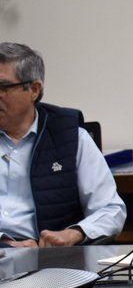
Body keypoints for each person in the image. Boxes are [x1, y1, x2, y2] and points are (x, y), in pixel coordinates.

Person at [0, 42, 126, 247]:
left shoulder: (72, 136)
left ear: (33, 89)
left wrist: (74, 233)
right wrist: (5, 244)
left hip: (56, 263)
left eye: (3, 87)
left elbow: (110, 210)